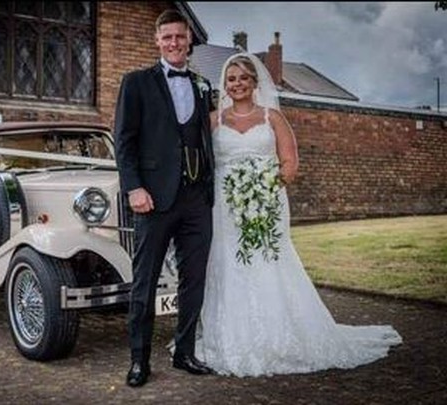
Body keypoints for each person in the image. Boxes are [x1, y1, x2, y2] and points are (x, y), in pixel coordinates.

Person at [195, 52, 403, 377]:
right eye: (231, 79)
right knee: (227, 263)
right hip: (224, 208)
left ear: (253, 82)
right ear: (225, 84)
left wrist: (263, 190)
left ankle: (281, 335)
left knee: (268, 262)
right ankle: (229, 335)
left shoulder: (272, 118)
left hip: (266, 203)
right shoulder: (212, 121)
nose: (237, 84)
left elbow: (289, 165)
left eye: (243, 78)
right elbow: (200, 162)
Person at [113, 10, 216, 387]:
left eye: (180, 37)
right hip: (153, 200)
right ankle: (139, 361)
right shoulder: (136, 82)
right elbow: (124, 141)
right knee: (145, 282)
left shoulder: (204, 85)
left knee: (194, 280)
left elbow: (207, 137)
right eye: (167, 37)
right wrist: (134, 188)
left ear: (189, 40)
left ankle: (184, 352)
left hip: (196, 200)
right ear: (157, 41)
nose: (174, 43)